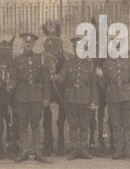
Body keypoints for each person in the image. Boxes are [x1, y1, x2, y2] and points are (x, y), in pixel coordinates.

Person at [58, 35, 97, 160]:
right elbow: (62, 77)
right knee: (73, 125)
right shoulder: (67, 63)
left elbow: (93, 85)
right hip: (71, 98)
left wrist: (94, 101)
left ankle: (84, 150)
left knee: (84, 125)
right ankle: (74, 150)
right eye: (76, 48)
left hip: (85, 98)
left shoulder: (89, 64)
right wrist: (56, 78)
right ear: (74, 49)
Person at [12, 32, 49, 162]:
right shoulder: (17, 60)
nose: (28, 44)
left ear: (33, 44)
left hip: (36, 97)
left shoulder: (40, 59)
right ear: (22, 44)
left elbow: (45, 80)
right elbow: (14, 79)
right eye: (26, 43)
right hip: (21, 97)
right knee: (22, 124)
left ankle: (38, 151)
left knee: (35, 124)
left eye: (30, 43)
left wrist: (46, 98)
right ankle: (24, 152)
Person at [103, 55, 130, 160]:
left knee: (128, 125)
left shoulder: (128, 62)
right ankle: (118, 150)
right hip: (113, 97)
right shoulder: (106, 63)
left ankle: (128, 150)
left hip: (127, 98)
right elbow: (104, 83)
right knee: (116, 125)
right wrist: (100, 76)